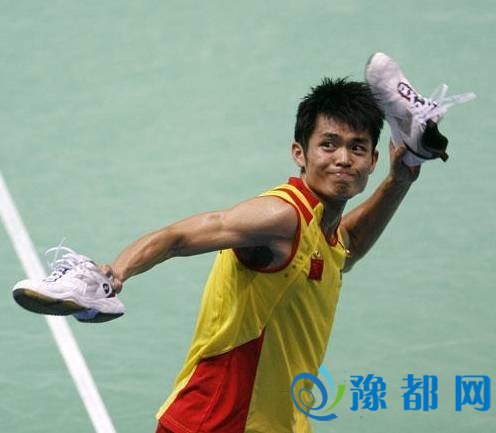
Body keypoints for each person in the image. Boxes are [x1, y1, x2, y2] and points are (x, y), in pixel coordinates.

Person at [97, 77, 420, 433]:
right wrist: (116, 273)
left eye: (357, 148)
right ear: (299, 153)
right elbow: (178, 237)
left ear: (373, 161)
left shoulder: (326, 233)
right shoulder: (282, 216)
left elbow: (348, 245)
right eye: (328, 144)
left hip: (280, 423)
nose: (343, 159)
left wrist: (400, 180)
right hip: (216, 422)